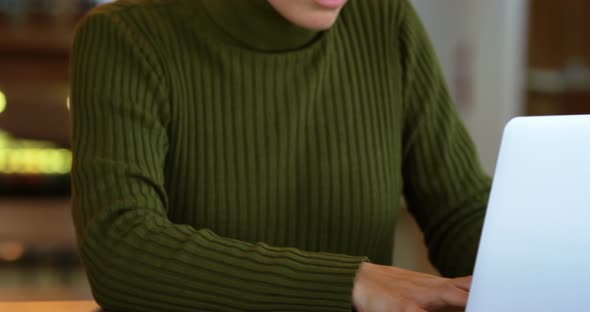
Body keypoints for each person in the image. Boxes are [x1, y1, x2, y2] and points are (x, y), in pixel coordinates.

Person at [70, 0, 491, 311]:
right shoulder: (125, 36)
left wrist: (535, 276)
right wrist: (350, 282)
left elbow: (459, 211)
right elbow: (121, 250)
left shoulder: (386, 21)